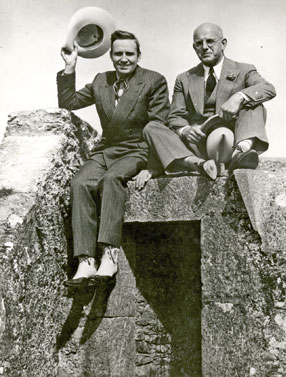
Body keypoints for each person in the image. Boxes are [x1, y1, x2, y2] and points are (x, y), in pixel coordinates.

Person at [57, 30, 174, 287]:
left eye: (129, 54)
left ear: (138, 55)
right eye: (118, 53)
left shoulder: (154, 81)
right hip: (106, 150)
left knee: (111, 179)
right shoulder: (101, 81)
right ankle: (86, 260)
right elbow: (68, 101)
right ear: (110, 56)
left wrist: (153, 167)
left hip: (137, 150)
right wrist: (70, 66)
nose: (124, 59)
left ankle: (110, 255)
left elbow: (158, 125)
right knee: (80, 183)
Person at [135, 22, 276, 187]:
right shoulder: (184, 78)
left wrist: (238, 97)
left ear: (223, 44)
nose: (204, 47)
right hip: (199, 146)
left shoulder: (244, 70)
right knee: (151, 127)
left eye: (210, 41)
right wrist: (185, 130)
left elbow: (268, 89)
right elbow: (175, 116)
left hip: (233, 141)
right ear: (194, 48)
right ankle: (199, 164)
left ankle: (242, 153)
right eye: (198, 44)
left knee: (253, 100)